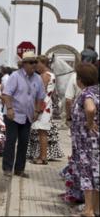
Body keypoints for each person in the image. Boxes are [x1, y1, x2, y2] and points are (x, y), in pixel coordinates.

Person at [2, 51, 46, 177]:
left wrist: (37, 110)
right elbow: (7, 94)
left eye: (35, 62)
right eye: (31, 62)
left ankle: (19, 169)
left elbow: (40, 97)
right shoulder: (15, 76)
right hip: (13, 114)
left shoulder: (38, 78)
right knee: (11, 141)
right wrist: (9, 109)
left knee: (24, 142)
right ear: (24, 64)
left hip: (28, 115)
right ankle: (7, 168)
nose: (34, 65)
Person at [70, 62, 99, 217]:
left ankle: (88, 210)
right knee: (97, 173)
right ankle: (95, 208)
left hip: (86, 142)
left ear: (80, 79)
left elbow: (90, 108)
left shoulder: (86, 93)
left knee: (87, 174)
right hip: (96, 142)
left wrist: (89, 123)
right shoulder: (97, 91)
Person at [27, 55, 63, 164]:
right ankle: (42, 156)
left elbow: (40, 94)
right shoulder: (50, 74)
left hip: (43, 106)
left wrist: (37, 109)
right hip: (47, 105)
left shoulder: (44, 75)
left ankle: (43, 157)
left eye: (37, 63)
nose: (35, 66)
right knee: (43, 132)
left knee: (42, 132)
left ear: (43, 63)